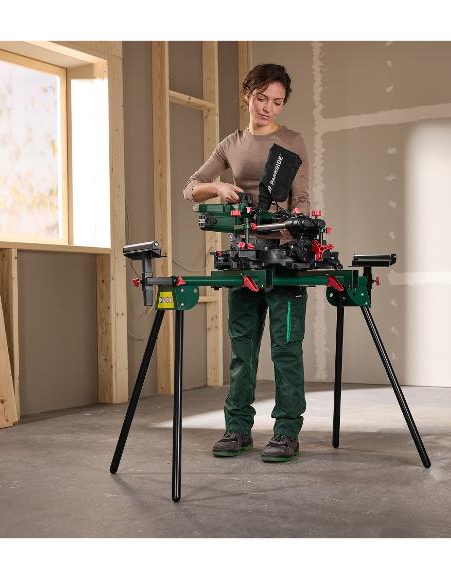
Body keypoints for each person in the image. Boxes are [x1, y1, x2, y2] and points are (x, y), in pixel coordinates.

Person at [182, 63, 310, 462]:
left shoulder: (293, 141)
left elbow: (301, 200)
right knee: (242, 351)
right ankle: (237, 429)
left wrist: (293, 236)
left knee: (286, 350)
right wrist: (217, 186)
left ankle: (287, 432)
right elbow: (191, 189)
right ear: (247, 95)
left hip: (283, 261)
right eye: (262, 99)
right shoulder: (231, 143)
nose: (269, 108)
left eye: (277, 102)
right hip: (242, 261)